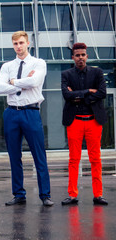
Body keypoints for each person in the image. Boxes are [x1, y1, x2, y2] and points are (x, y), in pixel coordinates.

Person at [0, 31, 54, 207]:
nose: (18, 46)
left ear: (28, 43)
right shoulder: (7, 66)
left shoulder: (38, 63)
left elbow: (34, 82)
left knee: (39, 155)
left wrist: (13, 82)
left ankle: (45, 195)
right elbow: (0, 87)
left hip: (31, 112)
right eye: (15, 44)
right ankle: (19, 194)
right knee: (14, 156)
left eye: (21, 43)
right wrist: (22, 82)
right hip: (12, 113)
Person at [61, 43, 108, 206]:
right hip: (74, 121)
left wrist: (78, 95)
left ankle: (98, 195)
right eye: (77, 55)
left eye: (83, 55)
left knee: (96, 159)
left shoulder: (97, 72)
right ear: (72, 57)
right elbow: (67, 95)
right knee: (74, 159)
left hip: (94, 121)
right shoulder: (66, 74)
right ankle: (72, 195)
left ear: (87, 56)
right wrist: (89, 91)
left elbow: (102, 93)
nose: (80, 57)